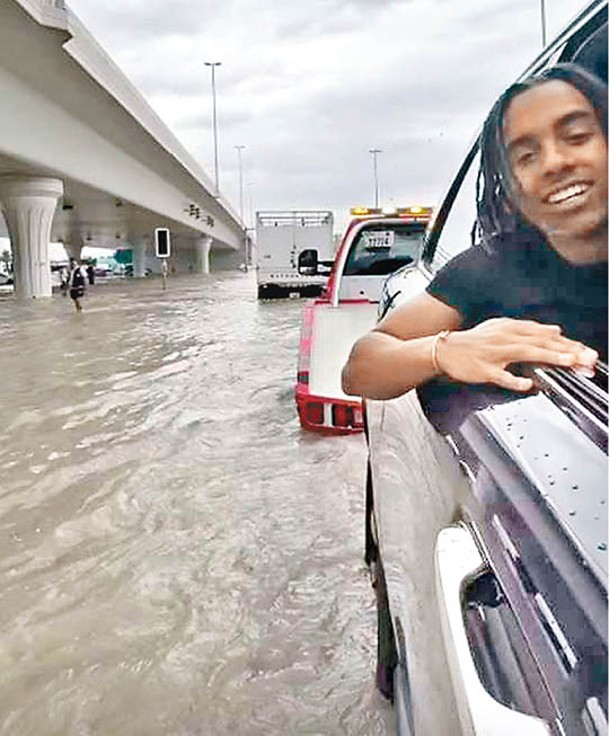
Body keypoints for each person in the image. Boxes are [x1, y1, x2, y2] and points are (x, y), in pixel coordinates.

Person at [342, 64, 607, 400]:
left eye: (577, 137)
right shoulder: (493, 267)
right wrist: (445, 351)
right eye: (526, 157)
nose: (554, 163)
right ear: (510, 190)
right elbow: (360, 367)